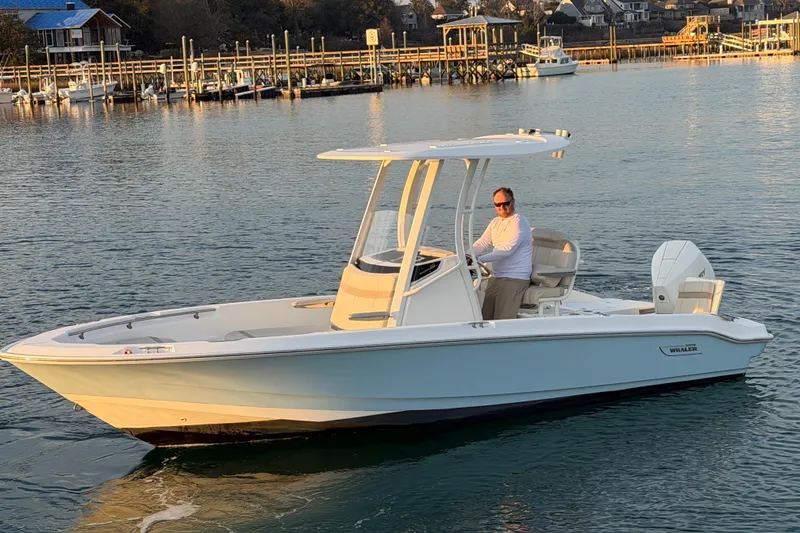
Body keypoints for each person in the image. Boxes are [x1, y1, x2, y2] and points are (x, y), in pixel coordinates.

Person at [471, 187, 532, 320]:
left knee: (502, 322)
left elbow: (507, 249)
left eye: (506, 203)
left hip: (515, 279)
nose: (502, 207)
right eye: (498, 204)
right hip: (496, 277)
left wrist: (478, 259)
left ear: (513, 202)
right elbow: (482, 243)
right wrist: (468, 255)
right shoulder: (495, 222)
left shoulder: (519, 221)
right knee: (484, 319)